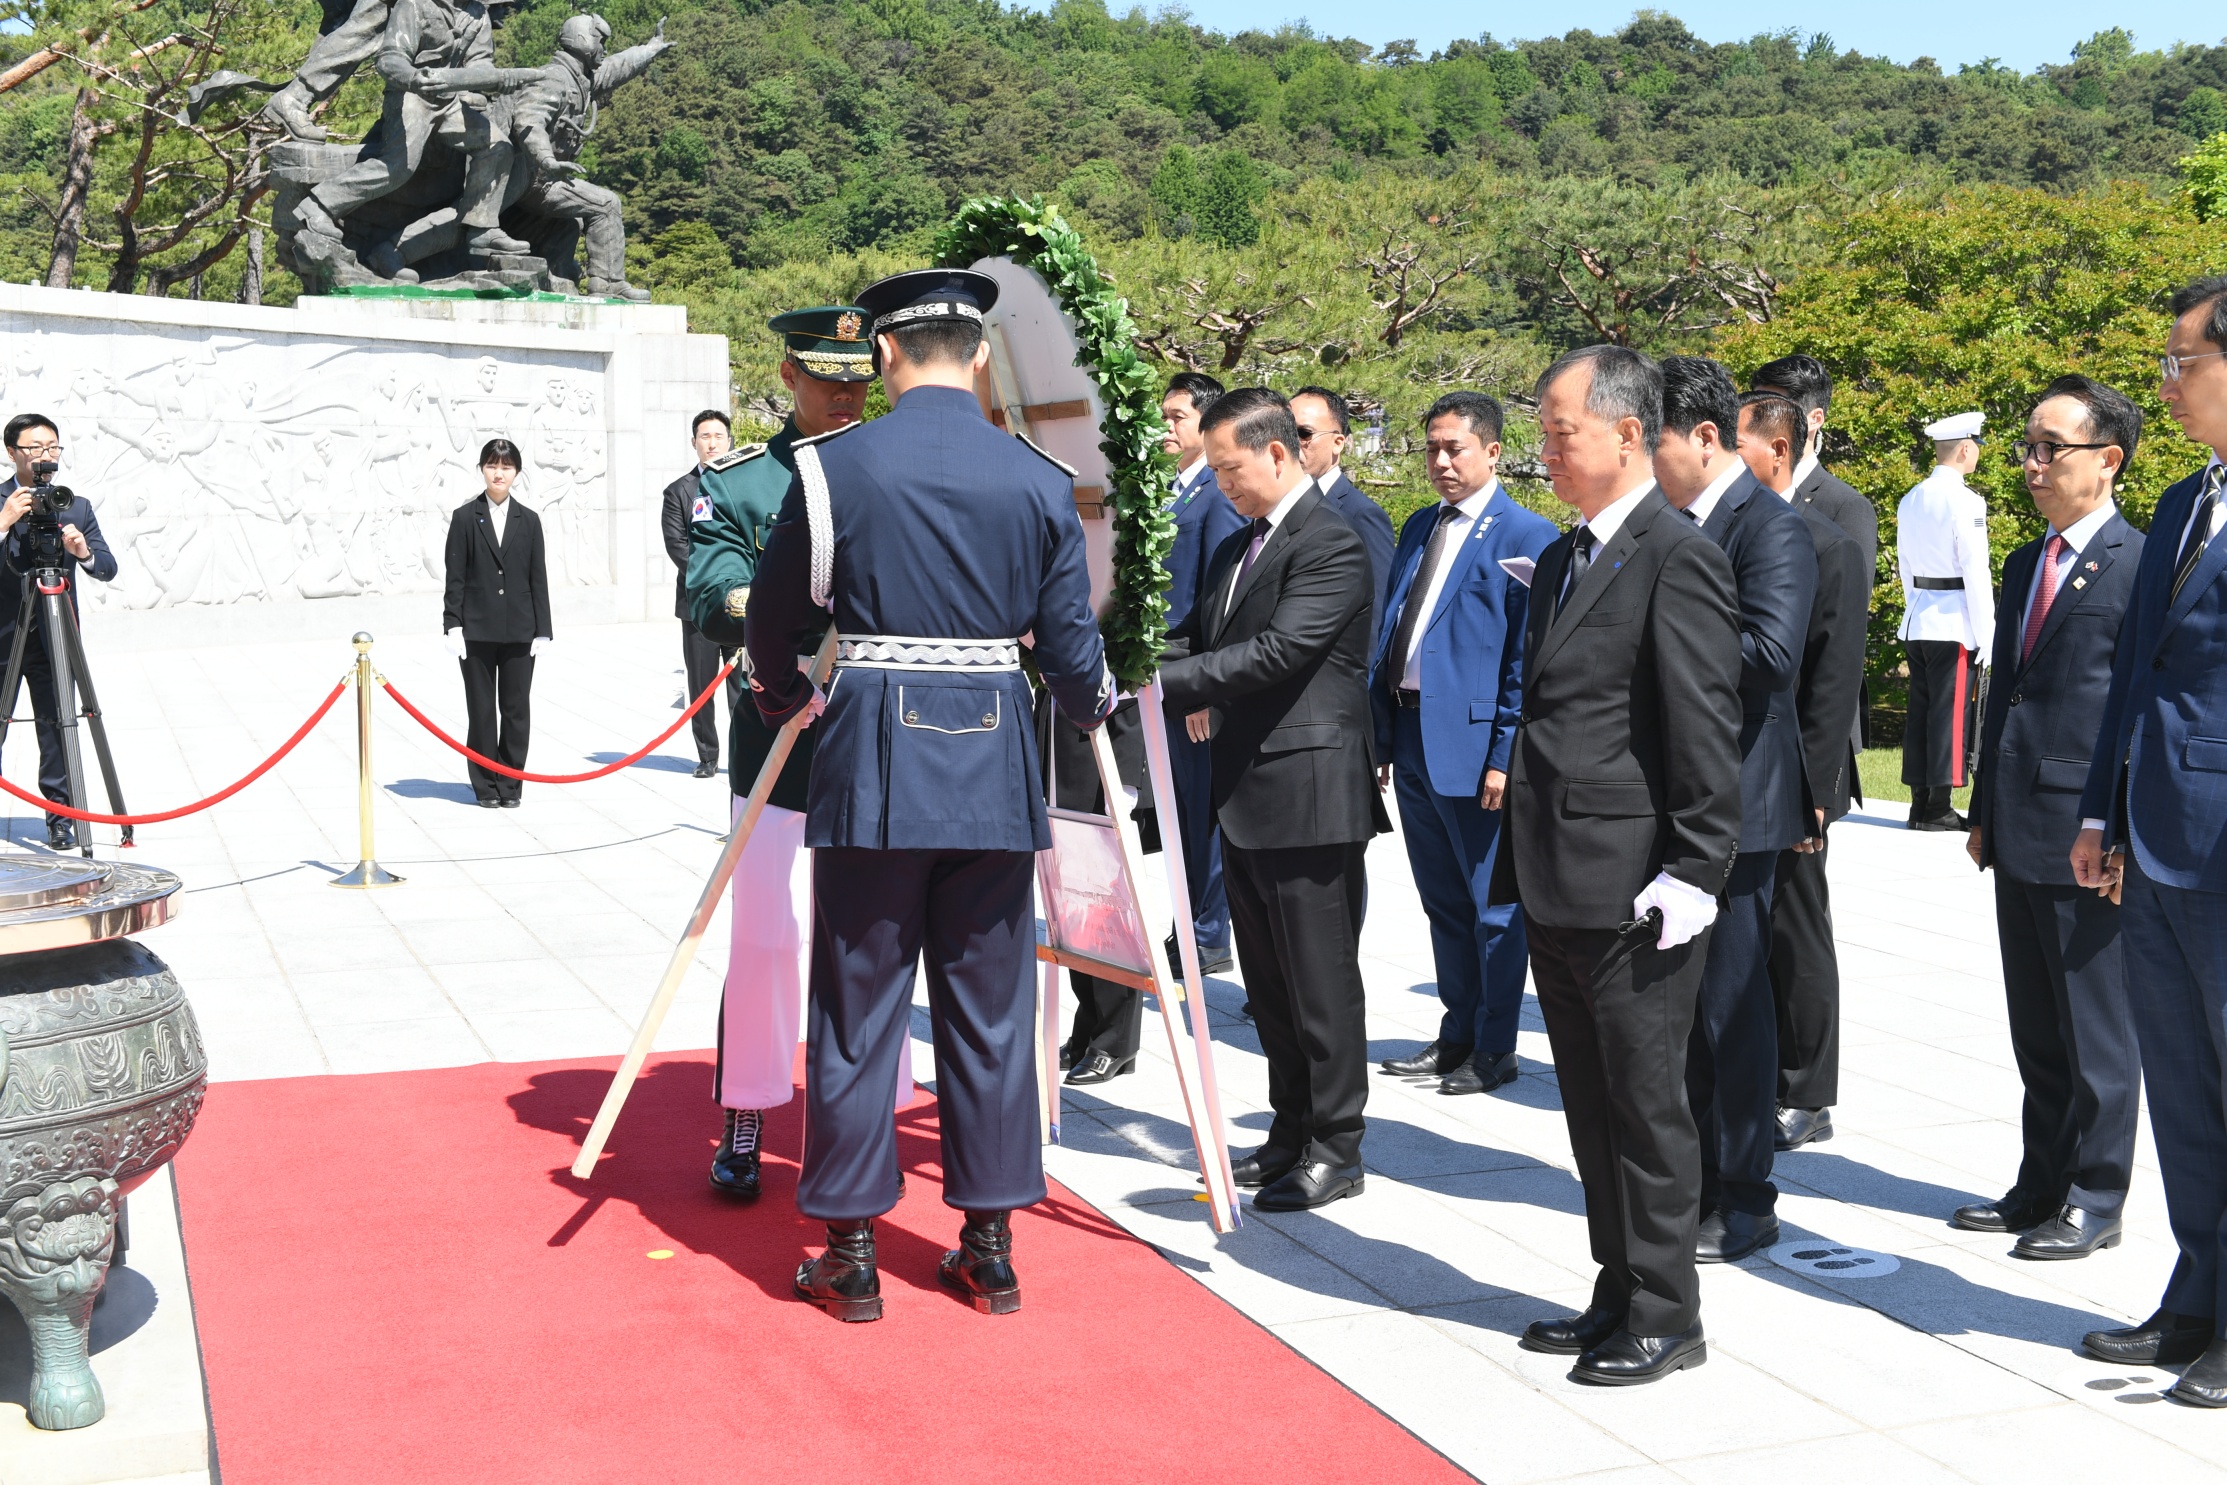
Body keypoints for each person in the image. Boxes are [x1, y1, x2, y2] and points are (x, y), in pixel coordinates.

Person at [746, 268, 1113, 1323]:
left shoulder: (830, 470)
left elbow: (775, 620)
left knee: (859, 1006)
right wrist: (1089, 702)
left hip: (872, 765)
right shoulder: (1039, 479)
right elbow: (1069, 642)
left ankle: (853, 1250)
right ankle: (989, 1244)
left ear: (885, 356)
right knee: (989, 1008)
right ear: (982, 357)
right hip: (995, 764)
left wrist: (783, 701)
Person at [1492, 345, 1742, 1387]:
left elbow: (1704, 725)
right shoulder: (1562, 557)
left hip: (1637, 885)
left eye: (1561, 433)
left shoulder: (1675, 554)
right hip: (1556, 873)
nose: (1544, 452)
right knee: (1589, 1104)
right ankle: (1616, 1285)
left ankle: (1665, 1309)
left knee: (1645, 1107)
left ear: (1627, 433)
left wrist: (1693, 867)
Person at [1159, 388, 1387, 1212]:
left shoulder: (1330, 542)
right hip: (1245, 787)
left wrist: (1163, 680)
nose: (1221, 484)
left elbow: (1279, 650)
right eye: (1213, 471)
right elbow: (1201, 636)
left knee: (1319, 979)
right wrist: (1122, 654)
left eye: (1230, 468)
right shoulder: (1240, 545)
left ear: (1278, 453)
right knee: (1271, 982)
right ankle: (1290, 1130)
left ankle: (1337, 1144)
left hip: (1310, 788)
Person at [685, 305, 889, 1198]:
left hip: (872, 736)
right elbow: (711, 584)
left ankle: (864, 1107)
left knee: (870, 934)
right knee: (763, 932)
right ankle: (747, 1109)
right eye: (826, 380)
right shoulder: (738, 484)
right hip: (775, 730)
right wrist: (779, 618)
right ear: (789, 375)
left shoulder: (887, 469)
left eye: (857, 382)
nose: (845, 398)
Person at [2073, 276, 2227, 1403]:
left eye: (2181, 364)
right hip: (2154, 834)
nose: (2165, 383)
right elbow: (2132, 675)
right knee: (2180, 1085)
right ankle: (2195, 1295)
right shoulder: (2181, 504)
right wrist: (2099, 808)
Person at [1961, 376, 2143, 1260]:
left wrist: (2111, 825)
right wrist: (1980, 808)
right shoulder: (2024, 560)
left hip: (2083, 831)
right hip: (2017, 819)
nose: (2030, 464)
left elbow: (2135, 709)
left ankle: (2097, 1195)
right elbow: (2008, 693)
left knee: (2094, 1027)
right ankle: (2041, 1180)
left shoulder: (2138, 563)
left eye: (2049, 448)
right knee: (2035, 1023)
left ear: (2105, 461)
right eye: (2026, 447)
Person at [1655, 358, 1816, 1266]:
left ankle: (1747, 1194)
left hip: (1743, 803)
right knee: (1679, 1013)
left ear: (1706, 438)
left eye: (1658, 441)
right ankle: (1698, 1179)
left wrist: (1652, 632)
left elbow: (1768, 655)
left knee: (1732, 1009)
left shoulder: (1769, 528)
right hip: (1672, 796)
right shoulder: (1668, 525)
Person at [1369, 392, 1554, 1095]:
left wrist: (1505, 753)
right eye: (1432, 448)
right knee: (1442, 900)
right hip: (1412, 732)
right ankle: (1455, 1032)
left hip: (1477, 749)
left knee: (1492, 907)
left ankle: (1495, 1046)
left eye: (1455, 448)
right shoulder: (1418, 524)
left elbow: (1523, 659)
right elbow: (1396, 629)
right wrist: (1382, 730)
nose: (1441, 461)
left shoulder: (1527, 534)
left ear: (1494, 452)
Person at [1737, 393, 1868, 1153]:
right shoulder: (1729, 531)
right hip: (1736, 768)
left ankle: (1807, 1089)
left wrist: (1814, 795)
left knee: (1796, 928)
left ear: (1777, 451)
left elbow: (1833, 683)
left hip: (1796, 773)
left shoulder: (1824, 542)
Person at [1158, 372, 1245, 975]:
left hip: (1192, 672)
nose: (1166, 427)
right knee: (1178, 808)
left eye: (1177, 417)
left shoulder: (1217, 497)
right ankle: (1188, 920)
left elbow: (1220, 599)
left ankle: (1207, 931)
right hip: (1162, 673)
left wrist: (1207, 687)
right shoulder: (1174, 489)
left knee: (1201, 807)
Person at [0, 414, 118, 850]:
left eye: (52, 447)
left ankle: (62, 818)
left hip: (56, 636)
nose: (45, 455)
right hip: (3, 638)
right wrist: (1, 522)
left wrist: (82, 552)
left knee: (58, 728)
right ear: (12, 452)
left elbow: (106, 567)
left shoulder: (76, 505)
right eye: (35, 448)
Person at [1896, 411, 1995, 830]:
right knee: (1949, 716)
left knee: (1920, 712)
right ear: (1966, 448)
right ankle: (1936, 809)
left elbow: (1904, 564)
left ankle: (1921, 804)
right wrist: (1988, 634)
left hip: (1919, 618)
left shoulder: (1912, 497)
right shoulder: (1967, 501)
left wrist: (1913, 608)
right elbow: (1976, 571)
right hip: (1954, 622)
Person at [441, 438, 550, 808]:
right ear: (482, 470)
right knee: (482, 710)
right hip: (476, 632)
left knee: (517, 710)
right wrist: (452, 624)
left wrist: (544, 629)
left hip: (521, 631)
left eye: (505, 466)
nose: (498, 473)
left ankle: (512, 782)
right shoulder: (464, 517)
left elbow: (539, 579)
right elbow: (454, 576)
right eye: (492, 465)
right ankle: (486, 784)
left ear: (516, 472)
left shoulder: (530, 520)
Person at [1289, 386, 1396, 638]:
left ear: (1338, 443)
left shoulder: (1362, 515)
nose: (1292, 443)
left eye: (1303, 433)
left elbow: (1377, 612)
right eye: (1284, 432)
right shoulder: (1278, 506)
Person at [665, 409, 732, 780]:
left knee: (743, 685)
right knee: (702, 683)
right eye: (704, 436)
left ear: (728, 440)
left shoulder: (742, 483)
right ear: (694, 443)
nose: (711, 443)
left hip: (742, 604)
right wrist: (713, 578)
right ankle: (707, 754)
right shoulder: (679, 491)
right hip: (698, 605)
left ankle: (743, 750)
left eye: (718, 435)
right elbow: (677, 545)